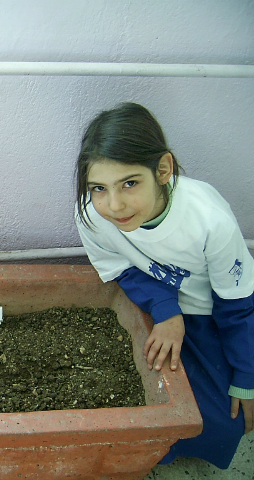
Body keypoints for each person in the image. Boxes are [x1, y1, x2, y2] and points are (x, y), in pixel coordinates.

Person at [74, 102, 253, 469]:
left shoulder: (209, 220)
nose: (115, 204)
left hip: (209, 313)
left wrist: (247, 377)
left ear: (163, 170)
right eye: (98, 188)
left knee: (226, 420)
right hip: (151, 304)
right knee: (137, 405)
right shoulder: (92, 215)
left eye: (130, 183)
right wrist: (166, 311)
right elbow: (122, 268)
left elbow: (237, 306)